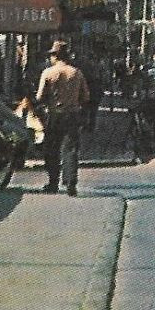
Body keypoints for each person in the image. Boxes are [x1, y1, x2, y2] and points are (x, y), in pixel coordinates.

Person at [35, 40, 90, 196]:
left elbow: (39, 96)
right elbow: (86, 96)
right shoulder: (76, 73)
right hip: (72, 115)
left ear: (55, 56)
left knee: (51, 149)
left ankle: (53, 182)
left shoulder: (48, 73)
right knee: (70, 149)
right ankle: (71, 183)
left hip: (54, 115)